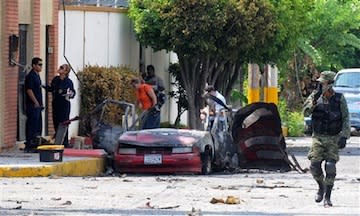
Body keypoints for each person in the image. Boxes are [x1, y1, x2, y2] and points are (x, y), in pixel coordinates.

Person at [303, 71, 350, 207]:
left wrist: (344, 136)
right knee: (314, 165)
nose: (320, 85)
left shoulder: (339, 98)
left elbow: (346, 118)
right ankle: (321, 186)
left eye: (323, 83)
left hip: (333, 137)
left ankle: (328, 196)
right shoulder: (315, 96)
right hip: (318, 137)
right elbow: (305, 112)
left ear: (330, 84)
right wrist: (314, 100)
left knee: (330, 166)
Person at [44, 64, 76, 147]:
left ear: (66, 71)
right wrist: (44, 86)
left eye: (62, 68)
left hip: (64, 105)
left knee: (64, 122)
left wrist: (69, 94)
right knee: (56, 121)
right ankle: (58, 141)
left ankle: (65, 142)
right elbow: (52, 88)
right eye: (60, 67)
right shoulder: (55, 79)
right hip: (56, 104)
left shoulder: (68, 82)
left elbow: (72, 93)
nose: (59, 69)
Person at [24, 57, 44, 152]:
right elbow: (29, 90)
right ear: (34, 65)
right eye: (39, 65)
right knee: (32, 125)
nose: (41, 67)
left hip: (38, 105)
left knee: (37, 125)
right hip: (32, 105)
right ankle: (29, 145)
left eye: (41, 65)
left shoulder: (37, 75)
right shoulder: (31, 76)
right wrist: (35, 102)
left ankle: (35, 144)